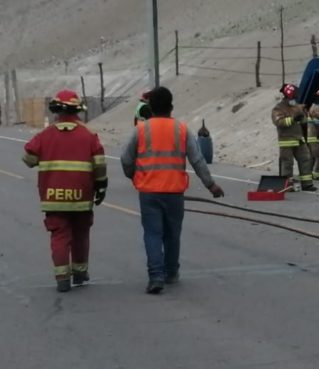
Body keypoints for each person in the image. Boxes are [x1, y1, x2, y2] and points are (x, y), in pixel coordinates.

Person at [120, 86, 224, 294]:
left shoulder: (141, 130)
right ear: (171, 107)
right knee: (172, 233)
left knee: (152, 233)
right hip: (174, 192)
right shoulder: (182, 129)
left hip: (149, 192)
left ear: (150, 107)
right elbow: (197, 160)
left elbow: (125, 158)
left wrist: (133, 174)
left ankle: (155, 276)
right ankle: (171, 273)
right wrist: (211, 185)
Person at [22, 89, 108, 292]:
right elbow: (100, 166)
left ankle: (62, 279)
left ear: (55, 111)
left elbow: (27, 159)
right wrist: (101, 187)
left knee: (59, 236)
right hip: (81, 198)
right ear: (77, 110)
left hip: (54, 200)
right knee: (81, 235)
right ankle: (79, 273)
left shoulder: (45, 135)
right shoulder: (88, 135)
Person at [271, 83, 316, 191]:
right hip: (286, 140)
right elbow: (279, 122)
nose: (295, 99)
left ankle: (307, 184)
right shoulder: (278, 108)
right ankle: (287, 185)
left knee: (305, 160)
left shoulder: (296, 107)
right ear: (288, 96)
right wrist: (293, 119)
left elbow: (304, 122)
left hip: (299, 139)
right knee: (287, 163)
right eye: (294, 96)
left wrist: (304, 116)